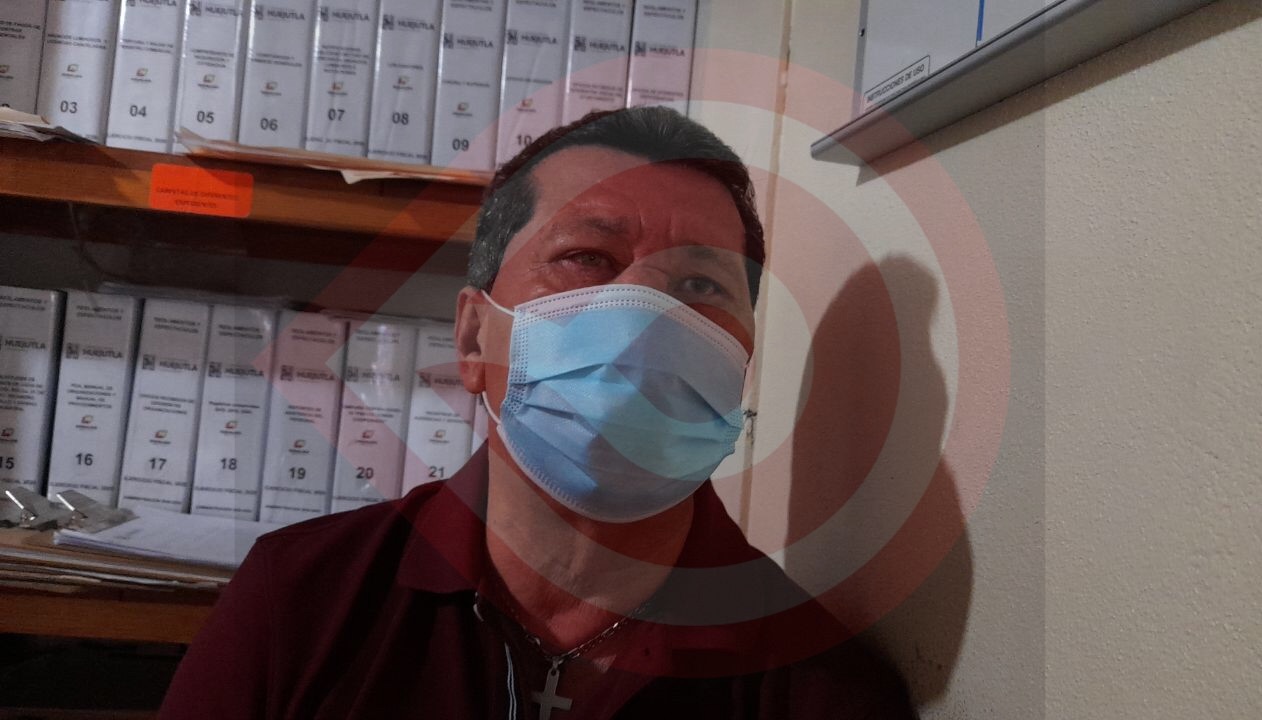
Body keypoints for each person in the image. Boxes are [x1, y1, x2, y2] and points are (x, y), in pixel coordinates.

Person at [158, 107, 915, 719]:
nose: (645, 317)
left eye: (701, 286)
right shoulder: (301, 600)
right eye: (587, 258)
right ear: (472, 336)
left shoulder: (820, 691)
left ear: (744, 359)